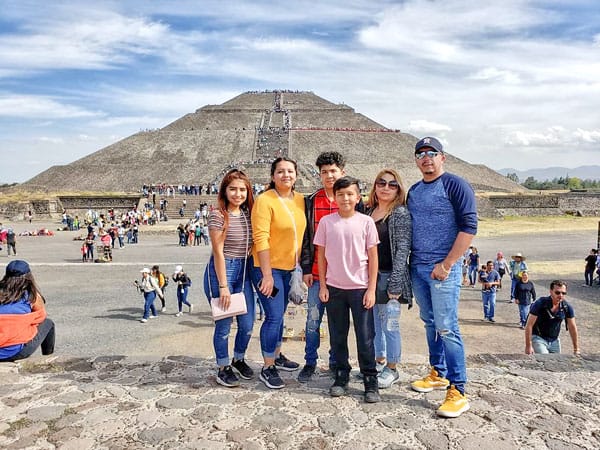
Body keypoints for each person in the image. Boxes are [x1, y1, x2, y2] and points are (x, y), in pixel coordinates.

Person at [408, 137, 477, 418]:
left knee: (447, 327)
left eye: (432, 153)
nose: (426, 158)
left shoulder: (455, 185)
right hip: (419, 267)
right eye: (421, 154)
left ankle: (458, 390)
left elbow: (469, 227)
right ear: (416, 160)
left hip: (442, 269)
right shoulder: (413, 190)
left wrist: (447, 264)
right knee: (430, 322)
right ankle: (438, 371)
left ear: (442, 158)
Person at [314, 176, 380, 403]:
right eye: (340, 194)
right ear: (335, 197)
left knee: (365, 337)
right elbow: (321, 257)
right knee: (338, 335)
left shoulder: (366, 222)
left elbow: (373, 258)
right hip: (334, 288)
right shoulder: (326, 222)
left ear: (358, 197)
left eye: (350, 194)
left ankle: (370, 379)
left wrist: (371, 289)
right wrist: (322, 285)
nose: (345, 198)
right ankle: (341, 375)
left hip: (360, 288)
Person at [250, 157, 307, 389]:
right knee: (273, 316)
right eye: (281, 171)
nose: (286, 175)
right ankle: (267, 366)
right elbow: (260, 237)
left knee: (281, 315)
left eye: (290, 171)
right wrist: (267, 275)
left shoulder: (302, 200)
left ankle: (276, 354)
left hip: (290, 269)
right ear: (273, 176)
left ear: (296, 175)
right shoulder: (265, 200)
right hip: (268, 269)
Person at [203, 169, 256, 387]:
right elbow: (218, 252)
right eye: (233, 189)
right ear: (224, 190)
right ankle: (223, 367)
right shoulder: (218, 214)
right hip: (221, 271)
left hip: (243, 271)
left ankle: (239, 358)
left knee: (248, 324)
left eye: (242, 189)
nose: (238, 194)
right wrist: (223, 285)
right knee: (224, 326)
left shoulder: (248, 213)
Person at [298, 151, 347, 383]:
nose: (329, 175)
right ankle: (310, 361)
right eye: (325, 172)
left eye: (333, 171)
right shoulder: (311, 201)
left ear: (342, 172)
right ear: (319, 175)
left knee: (338, 323)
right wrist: (306, 268)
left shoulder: (350, 200)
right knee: (312, 322)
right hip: (317, 275)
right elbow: (306, 238)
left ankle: (335, 361)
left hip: (343, 276)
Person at [366, 169, 412, 389]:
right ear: (375, 186)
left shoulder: (400, 214)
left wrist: (395, 283)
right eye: (381, 183)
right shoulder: (369, 211)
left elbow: (403, 250)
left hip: (388, 275)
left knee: (390, 325)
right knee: (373, 324)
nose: (385, 188)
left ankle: (392, 368)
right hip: (370, 277)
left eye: (392, 185)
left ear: (398, 189)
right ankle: (379, 360)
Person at [0, 260, 55, 362]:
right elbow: (41, 316)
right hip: (16, 352)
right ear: (29, 276)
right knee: (48, 323)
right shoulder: (31, 295)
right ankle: (48, 358)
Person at [524, 280, 579, 355]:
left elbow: (572, 327)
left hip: (554, 340)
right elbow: (529, 325)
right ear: (551, 291)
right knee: (545, 358)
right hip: (538, 338)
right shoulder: (540, 303)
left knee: (556, 363)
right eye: (557, 292)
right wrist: (528, 346)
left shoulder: (566, 307)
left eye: (563, 293)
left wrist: (576, 349)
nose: (560, 295)